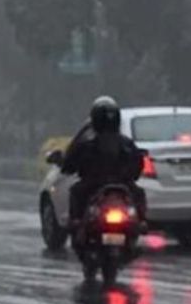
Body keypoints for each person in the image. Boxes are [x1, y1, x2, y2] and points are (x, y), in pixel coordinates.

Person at [60, 96, 145, 228]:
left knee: (76, 191)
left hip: (95, 184)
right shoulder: (126, 143)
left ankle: (76, 220)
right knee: (139, 193)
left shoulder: (86, 143)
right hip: (121, 183)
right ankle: (142, 221)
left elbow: (70, 164)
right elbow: (138, 166)